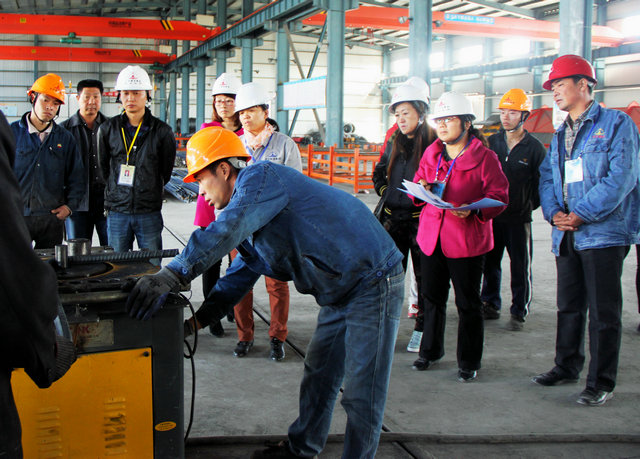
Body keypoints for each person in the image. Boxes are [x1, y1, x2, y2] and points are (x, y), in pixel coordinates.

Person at [125, 126, 404, 459]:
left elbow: (224, 230)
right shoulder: (252, 217)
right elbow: (234, 281)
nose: (201, 193)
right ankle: (302, 450)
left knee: (361, 393)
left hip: (373, 281)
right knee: (319, 376)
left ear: (223, 169)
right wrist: (192, 325)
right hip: (338, 292)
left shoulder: (261, 178)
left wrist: (172, 273)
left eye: (201, 180)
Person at [532, 54, 640, 406]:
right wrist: (554, 213)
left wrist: (581, 213)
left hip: (603, 234)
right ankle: (566, 366)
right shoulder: (560, 132)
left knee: (604, 313)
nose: (554, 92)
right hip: (566, 232)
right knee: (569, 306)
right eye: (552, 86)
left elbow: (622, 177)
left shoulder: (616, 124)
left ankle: (601, 381)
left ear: (584, 85)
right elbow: (547, 177)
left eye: (560, 84)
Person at [411, 91, 509, 382]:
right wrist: (422, 188)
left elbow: (500, 196)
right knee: (431, 298)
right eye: (438, 120)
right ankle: (430, 351)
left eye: (449, 119)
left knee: (467, 303)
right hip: (432, 238)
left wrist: (474, 210)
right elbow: (418, 181)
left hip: (466, 242)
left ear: (466, 123)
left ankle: (468, 360)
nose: (441, 125)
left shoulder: (485, 158)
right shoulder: (432, 153)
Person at [0, 111, 76, 458]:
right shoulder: (12, 131)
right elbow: (11, 261)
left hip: (48, 216)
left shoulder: (64, 137)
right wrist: (47, 350)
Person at [227, 81, 303, 361]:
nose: (245, 116)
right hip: (241, 228)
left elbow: (296, 186)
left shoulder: (284, 145)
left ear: (265, 111)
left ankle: (277, 337)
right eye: (241, 112)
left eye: (251, 110)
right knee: (240, 283)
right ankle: (244, 336)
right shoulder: (233, 144)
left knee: (277, 285)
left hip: (274, 228)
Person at [373, 77, 436, 353]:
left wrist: (430, 190)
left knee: (424, 281)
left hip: (420, 222)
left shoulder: (434, 143)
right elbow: (379, 172)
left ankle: (422, 330)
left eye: (406, 113)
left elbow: (442, 179)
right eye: (397, 114)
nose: (400, 119)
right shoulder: (394, 140)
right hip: (392, 220)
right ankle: (386, 329)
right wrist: (385, 190)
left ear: (421, 113)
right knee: (390, 280)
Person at [480, 88, 546, 330]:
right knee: (490, 263)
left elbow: (542, 184)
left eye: (512, 112)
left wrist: (527, 204)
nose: (506, 117)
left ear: (524, 115)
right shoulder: (491, 143)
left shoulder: (534, 148)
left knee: (520, 265)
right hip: (493, 217)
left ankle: (519, 309)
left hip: (519, 219)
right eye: (503, 112)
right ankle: (490, 303)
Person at [97, 65, 176, 265]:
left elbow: (165, 171)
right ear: (119, 96)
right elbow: (103, 168)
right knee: (117, 267)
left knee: (152, 266)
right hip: (117, 211)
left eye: (136, 93)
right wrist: (117, 192)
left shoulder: (162, 131)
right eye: (125, 93)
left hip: (148, 211)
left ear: (147, 95)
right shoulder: (107, 129)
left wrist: (148, 187)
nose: (130, 98)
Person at [10, 73, 86, 248]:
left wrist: (69, 207)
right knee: (15, 263)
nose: (50, 107)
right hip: (17, 216)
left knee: (50, 264)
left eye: (55, 103)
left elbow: (77, 177)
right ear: (33, 98)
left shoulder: (65, 139)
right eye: (45, 100)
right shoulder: (11, 133)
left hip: (51, 219)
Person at [195, 72, 244, 337]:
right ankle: (211, 314)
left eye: (229, 100)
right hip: (210, 203)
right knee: (211, 261)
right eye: (218, 100)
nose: (223, 105)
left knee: (237, 262)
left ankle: (233, 307)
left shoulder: (247, 132)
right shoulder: (207, 131)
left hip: (239, 204)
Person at [60, 79, 109, 246]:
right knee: (77, 252)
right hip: (76, 204)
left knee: (111, 251)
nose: (91, 102)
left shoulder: (112, 128)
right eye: (87, 97)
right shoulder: (64, 130)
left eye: (96, 97)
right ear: (77, 98)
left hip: (107, 202)